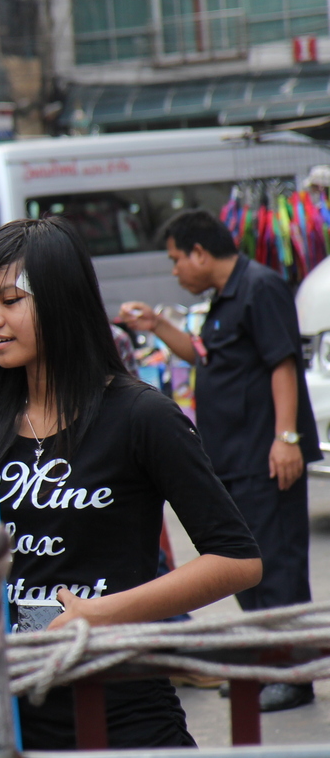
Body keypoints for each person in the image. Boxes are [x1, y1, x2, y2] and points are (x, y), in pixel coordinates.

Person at [0, 218, 261, 749]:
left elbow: (237, 560)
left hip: (125, 709)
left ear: (61, 300)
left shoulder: (142, 417)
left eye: (10, 301)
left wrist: (98, 613)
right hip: (17, 715)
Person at [118, 209, 322, 711]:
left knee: (276, 568)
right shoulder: (222, 301)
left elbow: (283, 364)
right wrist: (159, 324)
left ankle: (291, 674)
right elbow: (204, 356)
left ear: (200, 254)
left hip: (265, 456)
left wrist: (287, 437)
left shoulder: (261, 288)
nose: (174, 271)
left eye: (174, 261)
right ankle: (262, 666)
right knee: (243, 566)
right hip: (231, 459)